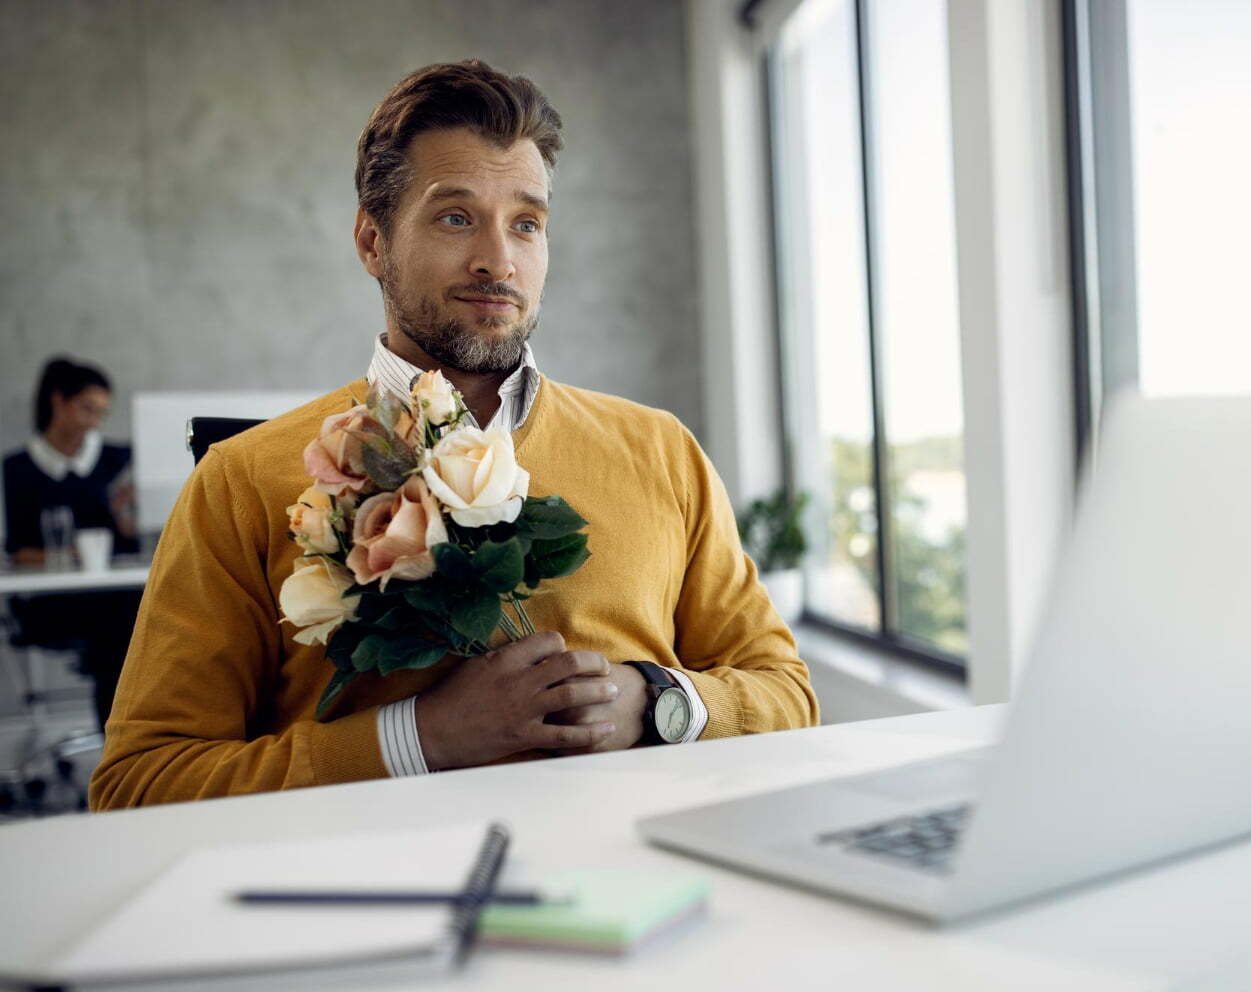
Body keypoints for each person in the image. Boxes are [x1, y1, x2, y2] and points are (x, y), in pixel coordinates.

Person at [90, 61, 817, 809]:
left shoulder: (662, 450)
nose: (498, 261)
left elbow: (787, 695)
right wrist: (419, 738)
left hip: (637, 886)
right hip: (367, 904)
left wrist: (658, 701)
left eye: (526, 223)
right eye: (456, 216)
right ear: (373, 242)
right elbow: (138, 785)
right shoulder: (240, 480)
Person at [3, 358, 142, 729]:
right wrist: (71, 555)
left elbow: (135, 537)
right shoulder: (18, 469)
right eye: (86, 409)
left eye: (101, 413)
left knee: (137, 623)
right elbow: (18, 551)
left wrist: (129, 515)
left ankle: (132, 738)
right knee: (115, 637)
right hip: (54, 602)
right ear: (58, 402)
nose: (94, 421)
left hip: (118, 595)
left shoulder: (120, 460)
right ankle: (118, 744)